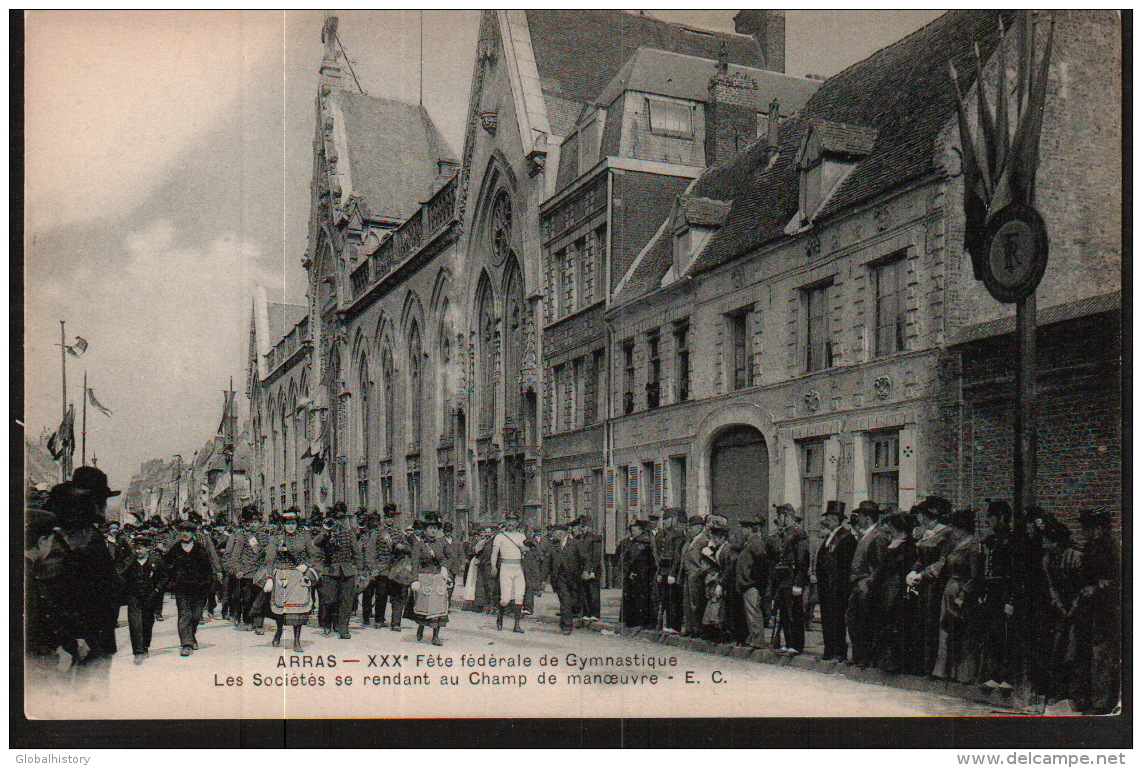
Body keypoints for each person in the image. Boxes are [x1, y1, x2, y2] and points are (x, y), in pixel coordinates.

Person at [38, 468, 124, 696]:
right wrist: (74, 637)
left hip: (88, 638)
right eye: (103, 499)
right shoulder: (78, 538)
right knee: (84, 707)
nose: (105, 505)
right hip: (84, 642)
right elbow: (50, 590)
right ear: (93, 501)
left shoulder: (78, 533)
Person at [1070, 509, 1120, 714]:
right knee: (1083, 652)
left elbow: (1120, 580)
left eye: (1087, 528)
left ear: (1098, 529)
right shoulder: (1090, 548)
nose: (1084, 532)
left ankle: (1101, 702)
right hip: (1087, 609)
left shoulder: (1112, 549)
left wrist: (1098, 588)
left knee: (1102, 655)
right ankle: (1084, 698)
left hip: (1104, 609)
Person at [904, 496, 958, 676]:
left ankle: (931, 667)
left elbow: (943, 561)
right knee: (922, 622)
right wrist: (914, 570)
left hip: (936, 584)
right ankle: (921, 665)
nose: (920, 519)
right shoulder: (930, 533)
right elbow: (921, 557)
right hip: (924, 585)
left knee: (932, 623)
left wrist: (923, 574)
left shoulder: (947, 534)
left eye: (922, 516)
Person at [932, 509, 984, 683]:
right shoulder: (955, 545)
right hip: (950, 590)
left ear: (962, 528)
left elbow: (975, 575)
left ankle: (963, 674)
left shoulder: (973, 546)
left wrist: (962, 595)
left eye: (955, 527)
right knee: (947, 629)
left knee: (962, 632)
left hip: (961, 593)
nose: (952, 531)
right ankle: (944, 671)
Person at [261, 508, 320, 651]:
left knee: (298, 609)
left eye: (293, 523)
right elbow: (269, 559)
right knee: (281, 608)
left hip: (298, 576)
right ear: (283, 525)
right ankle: (279, 631)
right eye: (288, 523)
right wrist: (269, 577)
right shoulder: (276, 538)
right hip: (281, 575)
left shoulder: (304, 537)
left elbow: (314, 555)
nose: (291, 526)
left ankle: (296, 641)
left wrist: (305, 565)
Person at [158, 520, 216, 656]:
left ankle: (192, 635)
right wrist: (172, 582)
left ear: (193, 533)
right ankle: (186, 644)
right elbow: (166, 566)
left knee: (196, 616)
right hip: (182, 588)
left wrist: (207, 584)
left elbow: (208, 568)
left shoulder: (200, 548)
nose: (185, 534)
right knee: (184, 615)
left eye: (188, 531)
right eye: (182, 531)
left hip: (199, 588)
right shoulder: (175, 548)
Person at [846, 500, 891, 667]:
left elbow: (879, 566)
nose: (858, 520)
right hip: (857, 584)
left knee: (866, 622)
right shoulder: (865, 535)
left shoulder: (878, 537)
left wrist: (869, 583)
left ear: (867, 518)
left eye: (861, 516)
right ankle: (858, 656)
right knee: (853, 620)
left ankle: (866, 657)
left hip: (866, 586)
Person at [314, 503, 364, 639]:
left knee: (347, 601)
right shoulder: (326, 533)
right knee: (329, 600)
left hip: (347, 572)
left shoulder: (349, 534)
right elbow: (316, 543)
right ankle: (329, 621)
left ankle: (343, 628)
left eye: (341, 518)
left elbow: (357, 553)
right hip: (330, 571)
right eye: (336, 518)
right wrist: (327, 532)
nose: (339, 521)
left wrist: (360, 571)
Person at [815, 501, 856, 661]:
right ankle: (829, 650)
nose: (828, 521)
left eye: (831, 518)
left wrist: (841, 586)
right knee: (827, 618)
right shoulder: (830, 537)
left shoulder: (846, 538)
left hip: (838, 587)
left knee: (837, 620)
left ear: (838, 520)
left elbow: (845, 566)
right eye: (828, 518)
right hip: (826, 586)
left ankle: (839, 651)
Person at [770, 504, 810, 654]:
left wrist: (798, 583)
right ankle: (788, 642)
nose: (779, 520)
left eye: (780, 516)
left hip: (792, 578)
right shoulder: (785, 534)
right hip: (783, 579)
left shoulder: (799, 534)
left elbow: (802, 560)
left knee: (794, 613)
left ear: (787, 517)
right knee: (785, 613)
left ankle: (796, 645)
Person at [117, 533, 163, 663]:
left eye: (140, 548)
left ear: (148, 549)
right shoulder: (129, 561)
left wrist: (157, 589)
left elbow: (164, 577)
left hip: (150, 596)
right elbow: (121, 576)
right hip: (134, 597)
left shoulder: (155, 561)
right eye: (136, 548)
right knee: (135, 623)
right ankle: (137, 651)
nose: (137, 551)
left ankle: (145, 647)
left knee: (147, 623)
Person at [410, 512, 453, 645]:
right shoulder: (420, 545)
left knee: (439, 607)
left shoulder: (442, 543)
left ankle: (435, 636)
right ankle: (421, 627)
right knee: (424, 606)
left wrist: (445, 567)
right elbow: (414, 563)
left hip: (438, 578)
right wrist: (415, 579)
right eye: (430, 528)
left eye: (435, 528)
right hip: (424, 578)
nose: (433, 530)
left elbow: (450, 557)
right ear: (425, 530)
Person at [491, 512, 530, 633]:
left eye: (513, 521)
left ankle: (517, 625)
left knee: (519, 596)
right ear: (505, 522)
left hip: (518, 567)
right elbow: (494, 553)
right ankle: (500, 616)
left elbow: (528, 550)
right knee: (505, 599)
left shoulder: (521, 536)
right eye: (508, 520)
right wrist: (493, 566)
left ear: (517, 523)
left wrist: (525, 548)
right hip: (505, 567)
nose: (511, 523)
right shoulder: (500, 537)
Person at [651, 508, 687, 633]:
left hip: (673, 570)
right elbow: (661, 555)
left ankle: (674, 625)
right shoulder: (664, 534)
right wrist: (660, 572)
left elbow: (677, 555)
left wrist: (672, 573)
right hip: (664, 570)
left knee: (674, 599)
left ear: (674, 520)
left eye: (667, 519)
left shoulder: (678, 534)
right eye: (663, 519)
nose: (664, 522)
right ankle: (667, 624)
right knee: (665, 598)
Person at [617, 519, 654, 629]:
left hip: (641, 574)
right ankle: (633, 621)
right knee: (633, 597)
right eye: (632, 530)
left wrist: (632, 571)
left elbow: (636, 559)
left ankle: (639, 622)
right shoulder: (635, 541)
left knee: (640, 598)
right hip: (634, 573)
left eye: (636, 530)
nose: (634, 532)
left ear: (641, 530)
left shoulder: (643, 542)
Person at [699, 517, 733, 640]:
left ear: (722, 537)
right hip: (715, 581)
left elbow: (727, 569)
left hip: (722, 582)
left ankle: (721, 633)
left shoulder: (726, 549)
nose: (713, 539)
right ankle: (712, 632)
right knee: (713, 607)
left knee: (719, 609)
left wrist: (721, 584)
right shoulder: (719, 548)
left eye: (715, 536)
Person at [547, 523, 583, 635]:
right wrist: (543, 579)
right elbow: (547, 563)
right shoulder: (553, 546)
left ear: (560, 533)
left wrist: (587, 571)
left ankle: (565, 621)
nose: (552, 536)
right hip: (559, 577)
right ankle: (567, 626)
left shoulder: (575, 544)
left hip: (574, 577)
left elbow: (585, 558)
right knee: (565, 600)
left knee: (574, 601)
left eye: (553, 533)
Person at [679, 515, 710, 637]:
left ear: (699, 528)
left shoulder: (704, 541)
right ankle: (689, 628)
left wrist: (698, 572)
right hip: (688, 575)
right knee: (687, 603)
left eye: (691, 527)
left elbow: (706, 562)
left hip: (696, 576)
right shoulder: (690, 541)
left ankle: (698, 629)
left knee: (696, 603)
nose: (689, 529)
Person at [575, 516, 604, 622]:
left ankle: (595, 613)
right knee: (584, 592)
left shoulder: (596, 539)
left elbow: (596, 556)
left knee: (593, 592)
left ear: (589, 527)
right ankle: (586, 613)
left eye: (583, 527)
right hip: (582, 569)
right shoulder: (579, 538)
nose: (581, 529)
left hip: (593, 570)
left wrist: (592, 570)